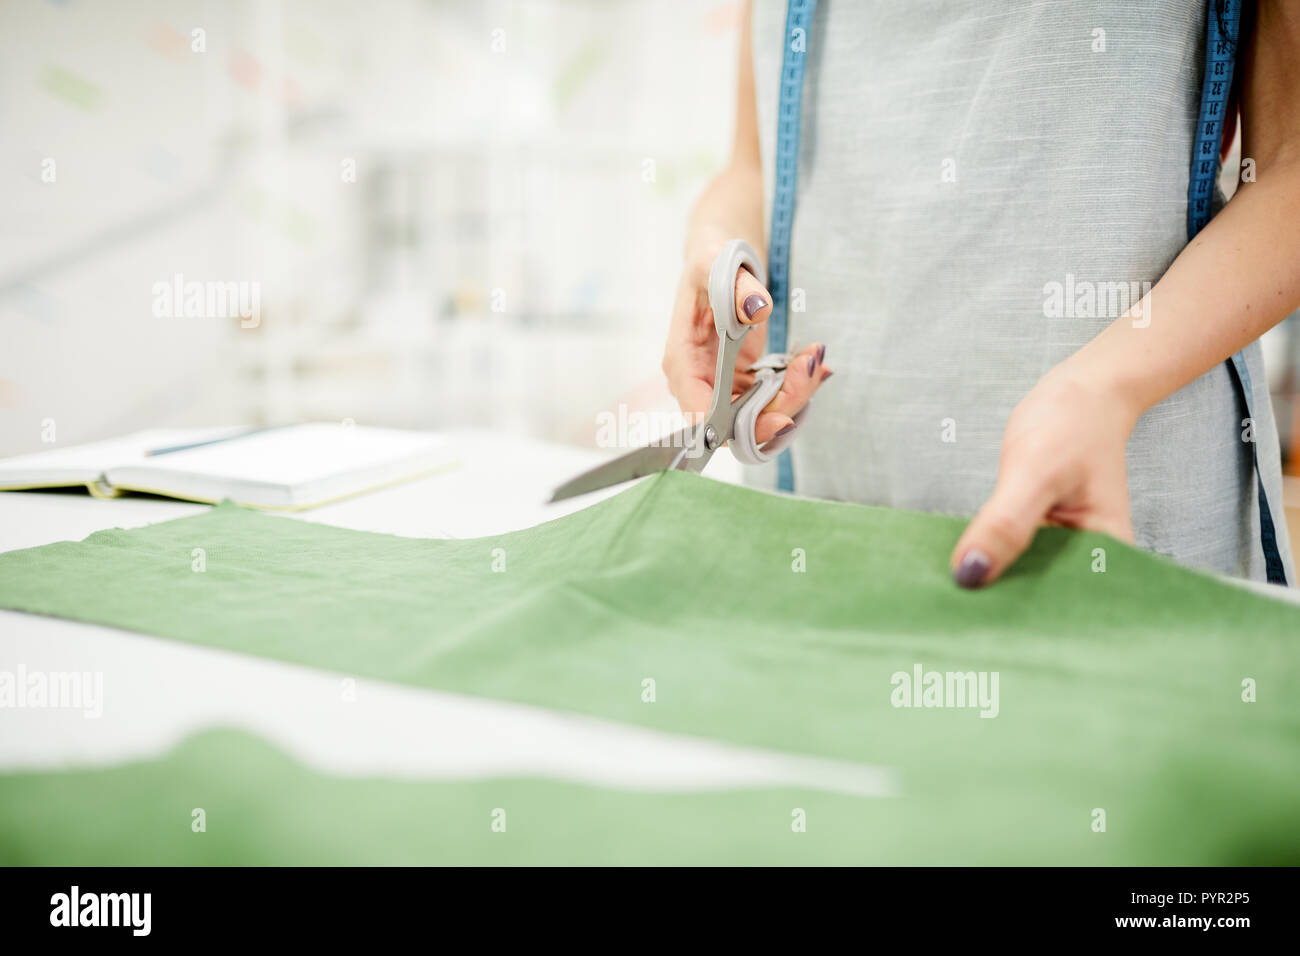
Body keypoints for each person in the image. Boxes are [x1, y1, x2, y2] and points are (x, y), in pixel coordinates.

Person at [661, 0, 1299, 587]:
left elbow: (1288, 168)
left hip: (1110, 505)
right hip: (811, 509)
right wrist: (716, 247)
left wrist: (1105, 389)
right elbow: (751, 164)